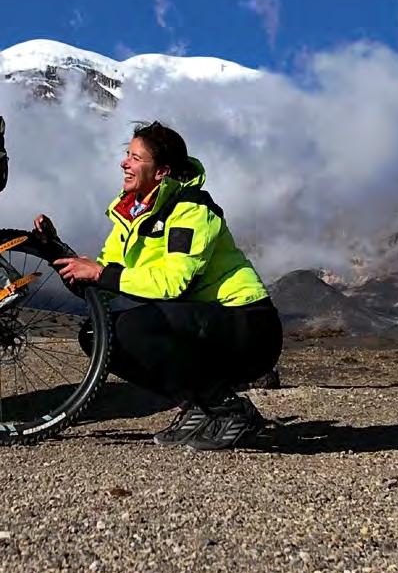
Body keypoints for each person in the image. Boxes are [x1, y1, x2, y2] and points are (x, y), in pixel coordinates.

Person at [33, 121, 282, 451]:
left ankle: (230, 410)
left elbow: (173, 284)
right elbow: (103, 285)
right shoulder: (131, 213)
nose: (124, 163)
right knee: (96, 334)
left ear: (162, 171)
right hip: (198, 323)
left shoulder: (190, 210)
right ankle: (198, 406)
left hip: (247, 326)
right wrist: (56, 253)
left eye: (135, 158)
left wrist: (99, 273)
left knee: (134, 327)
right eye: (127, 155)